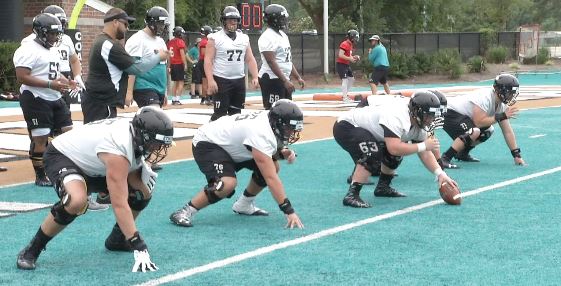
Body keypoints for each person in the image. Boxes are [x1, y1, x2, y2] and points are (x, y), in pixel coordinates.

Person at [16, 106, 174, 271]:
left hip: (96, 163)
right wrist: (138, 244)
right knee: (76, 201)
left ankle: (117, 239)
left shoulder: (133, 136)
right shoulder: (118, 148)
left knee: (142, 192)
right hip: (64, 157)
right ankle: (32, 249)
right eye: (156, 143)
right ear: (143, 135)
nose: (157, 149)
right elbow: (119, 204)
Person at [169, 99, 304, 229]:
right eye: (289, 128)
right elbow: (271, 178)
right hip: (209, 143)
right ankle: (185, 211)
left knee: (273, 166)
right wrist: (288, 210)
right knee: (226, 184)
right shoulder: (261, 131)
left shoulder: (270, 121)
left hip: (231, 146)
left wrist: (282, 153)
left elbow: (265, 152)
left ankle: (244, 205)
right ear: (278, 122)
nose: (291, 132)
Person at [81, 8, 168, 206]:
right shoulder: (108, 44)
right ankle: (86, 195)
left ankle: (102, 192)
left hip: (102, 101)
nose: (127, 28)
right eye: (125, 23)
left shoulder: (105, 43)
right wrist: (158, 57)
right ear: (114, 22)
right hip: (99, 102)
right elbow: (136, 68)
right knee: (95, 149)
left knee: (101, 148)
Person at [333, 91, 459, 208]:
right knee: (373, 152)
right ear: (416, 111)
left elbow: (425, 153)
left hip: (370, 131)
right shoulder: (397, 115)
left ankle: (383, 187)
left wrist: (441, 174)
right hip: (347, 126)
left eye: (433, 116)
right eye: (428, 115)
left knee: (400, 151)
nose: (430, 120)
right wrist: (424, 145)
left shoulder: (417, 123)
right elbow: (394, 148)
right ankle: (352, 195)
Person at [13, 13, 75, 187]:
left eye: (56, 34)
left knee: (69, 132)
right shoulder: (27, 49)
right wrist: (50, 84)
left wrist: (66, 81)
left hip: (53, 95)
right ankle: (40, 175)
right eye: (51, 33)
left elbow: (53, 72)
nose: (54, 37)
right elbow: (22, 76)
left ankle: (62, 166)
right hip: (35, 97)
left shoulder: (53, 48)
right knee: (41, 137)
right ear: (39, 32)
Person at [440, 73, 526, 167]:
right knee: (474, 131)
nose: (512, 96)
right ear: (499, 90)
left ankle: (462, 154)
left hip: (462, 116)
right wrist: (501, 116)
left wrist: (516, 155)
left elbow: (507, 131)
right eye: (510, 93)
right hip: (449, 113)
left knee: (488, 131)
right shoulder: (485, 97)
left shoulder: (501, 105)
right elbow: (478, 122)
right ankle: (445, 158)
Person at [22, 5, 85, 108]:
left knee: (64, 115)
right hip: (43, 78)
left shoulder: (66, 39)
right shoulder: (30, 42)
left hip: (64, 76)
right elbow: (24, 73)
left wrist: (77, 76)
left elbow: (74, 60)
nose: (59, 29)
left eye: (62, 23)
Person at [205, 6, 259, 121]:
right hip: (221, 79)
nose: (233, 22)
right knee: (220, 115)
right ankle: (208, 133)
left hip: (239, 80)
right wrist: (210, 80)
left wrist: (255, 76)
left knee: (236, 114)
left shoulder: (244, 38)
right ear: (224, 21)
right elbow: (208, 60)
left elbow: (249, 58)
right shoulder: (215, 38)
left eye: (235, 19)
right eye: (230, 19)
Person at [258, 4, 305, 110]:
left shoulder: (283, 35)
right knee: (274, 111)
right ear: (274, 20)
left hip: (282, 78)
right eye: (282, 18)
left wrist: (297, 77)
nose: (284, 21)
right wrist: (285, 81)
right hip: (272, 79)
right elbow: (271, 62)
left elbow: (287, 60)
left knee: (286, 110)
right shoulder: (267, 36)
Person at [125, 6, 169, 109]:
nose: (162, 27)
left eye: (163, 24)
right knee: (154, 115)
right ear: (151, 22)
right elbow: (131, 67)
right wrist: (129, 91)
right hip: (144, 86)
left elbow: (164, 67)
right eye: (160, 23)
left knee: (154, 120)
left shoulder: (161, 41)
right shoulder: (137, 39)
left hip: (159, 88)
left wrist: (165, 91)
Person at [336, 29, 360, 103]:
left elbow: (348, 56)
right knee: (345, 80)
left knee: (352, 79)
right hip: (341, 64)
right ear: (351, 37)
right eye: (355, 37)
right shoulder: (344, 44)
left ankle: (345, 95)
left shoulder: (350, 45)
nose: (356, 39)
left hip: (346, 64)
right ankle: (345, 97)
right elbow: (340, 55)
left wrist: (354, 57)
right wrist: (350, 58)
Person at [167, 26, 187, 105]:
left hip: (172, 64)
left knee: (175, 83)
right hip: (179, 64)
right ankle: (177, 99)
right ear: (179, 34)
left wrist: (169, 66)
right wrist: (185, 64)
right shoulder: (180, 41)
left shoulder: (170, 42)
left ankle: (173, 99)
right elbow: (182, 54)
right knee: (181, 82)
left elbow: (169, 55)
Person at [198, 25, 213, 105]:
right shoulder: (204, 41)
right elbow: (204, 53)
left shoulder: (203, 41)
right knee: (206, 81)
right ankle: (206, 98)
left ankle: (204, 98)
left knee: (205, 80)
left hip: (203, 61)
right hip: (204, 61)